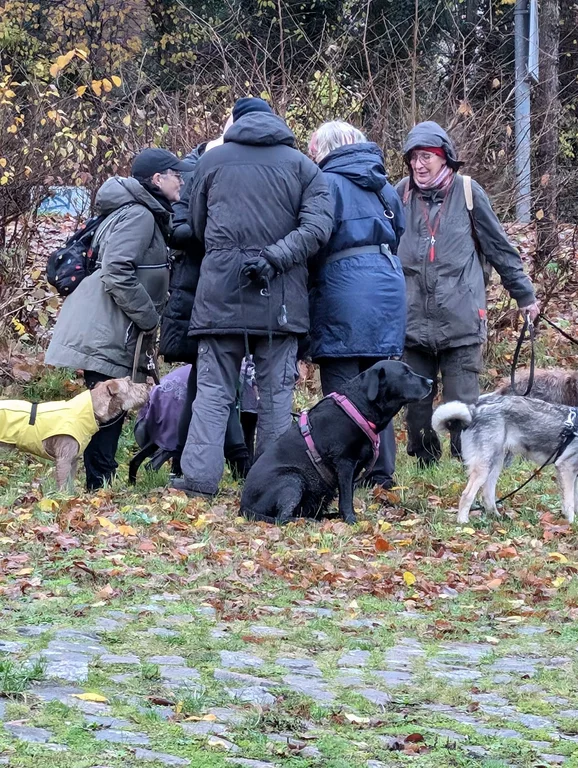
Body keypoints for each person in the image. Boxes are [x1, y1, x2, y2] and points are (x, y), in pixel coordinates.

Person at [173, 97, 334, 497]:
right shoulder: (304, 167)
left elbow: (196, 224)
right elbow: (317, 229)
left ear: (236, 122)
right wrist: (275, 257)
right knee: (276, 396)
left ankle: (198, 481)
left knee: (213, 391)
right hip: (280, 297)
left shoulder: (211, 162)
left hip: (220, 292)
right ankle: (272, 483)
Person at [45, 148, 194, 490]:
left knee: (107, 407)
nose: (182, 182)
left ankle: (99, 482)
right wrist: (148, 316)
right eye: (177, 175)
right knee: (106, 407)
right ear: (157, 179)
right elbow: (116, 270)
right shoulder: (140, 215)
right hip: (109, 326)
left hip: (113, 323)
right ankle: (100, 485)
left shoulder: (142, 211)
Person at [396, 121, 539, 465]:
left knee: (461, 405)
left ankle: (466, 463)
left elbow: (500, 249)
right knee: (415, 406)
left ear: (444, 157)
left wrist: (525, 296)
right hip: (411, 321)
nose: (418, 164)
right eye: (413, 157)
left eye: (426, 156)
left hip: (461, 320)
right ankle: (425, 460)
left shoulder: (469, 192)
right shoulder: (400, 194)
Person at [308, 121, 406, 490]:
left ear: (325, 149)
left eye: (313, 151)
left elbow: (316, 237)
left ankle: (344, 469)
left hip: (342, 287)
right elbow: (399, 233)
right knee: (380, 381)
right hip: (387, 286)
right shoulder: (383, 186)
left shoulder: (325, 183)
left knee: (342, 385)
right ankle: (381, 472)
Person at [158, 114, 250, 477]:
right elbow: (179, 229)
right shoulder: (195, 171)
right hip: (200, 289)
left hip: (221, 288)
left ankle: (198, 461)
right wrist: (215, 233)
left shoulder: (216, 168)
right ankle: (214, 460)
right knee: (210, 379)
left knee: (212, 379)